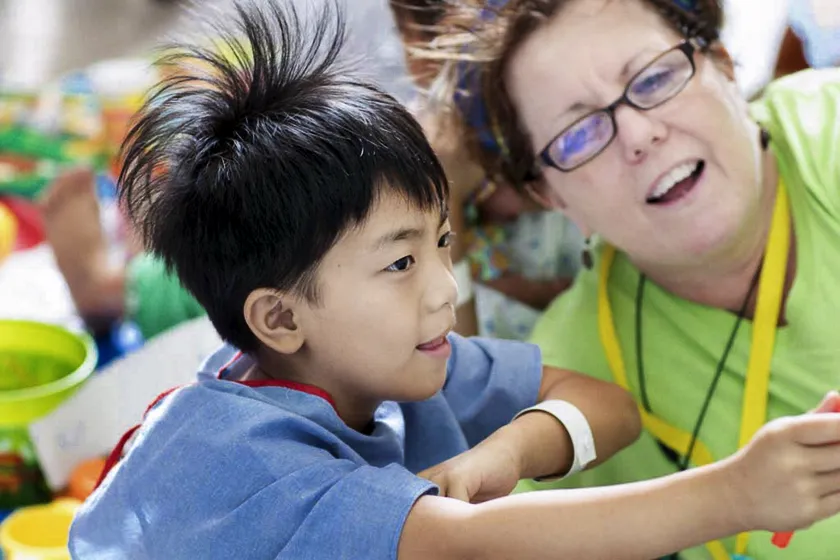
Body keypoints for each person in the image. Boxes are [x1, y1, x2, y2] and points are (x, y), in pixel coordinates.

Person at [70, 2, 840, 559]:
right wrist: (734, 495)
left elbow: (605, 408)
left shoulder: (395, 363)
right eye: (402, 263)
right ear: (278, 318)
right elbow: (467, 545)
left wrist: (506, 452)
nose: (445, 289)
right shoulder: (237, 451)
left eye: (445, 243)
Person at [430, 0, 840, 558]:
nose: (638, 134)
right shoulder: (574, 373)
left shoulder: (830, 130)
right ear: (552, 197)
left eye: (654, 77)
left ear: (723, 65)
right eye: (578, 133)